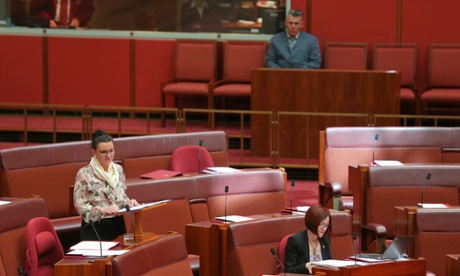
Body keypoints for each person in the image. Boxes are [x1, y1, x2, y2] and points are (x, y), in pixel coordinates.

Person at [74, 129, 139, 241]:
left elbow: (121, 199)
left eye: (111, 151)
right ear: (94, 152)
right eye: (103, 152)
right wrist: (101, 211)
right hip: (96, 227)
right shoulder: (84, 174)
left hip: (118, 225)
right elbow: (80, 206)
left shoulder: (118, 170)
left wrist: (129, 202)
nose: (108, 155)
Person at [284, 204, 332, 274]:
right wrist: (305, 266)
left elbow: (329, 263)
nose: (324, 229)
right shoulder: (295, 241)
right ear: (312, 222)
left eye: (326, 225)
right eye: (322, 224)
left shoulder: (325, 240)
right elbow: (288, 270)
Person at [30, 0, 95, 28]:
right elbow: (36, 9)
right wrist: (47, 20)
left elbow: (88, 9)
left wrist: (78, 20)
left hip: (75, 30)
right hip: (50, 31)